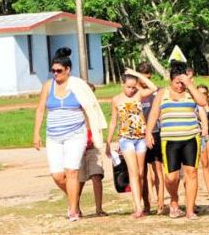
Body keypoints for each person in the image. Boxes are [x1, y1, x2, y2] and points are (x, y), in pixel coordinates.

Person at [33, 47, 105, 222]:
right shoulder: (48, 86)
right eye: (53, 71)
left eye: (59, 71)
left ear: (67, 70)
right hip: (54, 136)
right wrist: (36, 133)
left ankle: (73, 211)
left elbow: (90, 107)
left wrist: (95, 131)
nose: (55, 74)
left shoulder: (77, 85)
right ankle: (74, 200)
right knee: (57, 175)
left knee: (71, 171)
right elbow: (41, 108)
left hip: (75, 134)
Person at [145, 61, 208, 220]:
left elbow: (203, 102)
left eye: (182, 83)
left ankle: (189, 210)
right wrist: (148, 133)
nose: (180, 86)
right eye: (177, 82)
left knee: (191, 173)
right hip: (170, 140)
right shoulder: (162, 93)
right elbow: (153, 114)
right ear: (170, 80)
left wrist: (189, 84)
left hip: (190, 138)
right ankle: (174, 200)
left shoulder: (190, 92)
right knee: (171, 177)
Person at [105, 70, 158, 218]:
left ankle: (140, 202)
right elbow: (113, 122)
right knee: (133, 172)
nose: (131, 90)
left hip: (140, 138)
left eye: (134, 87)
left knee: (141, 174)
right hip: (126, 139)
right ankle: (138, 207)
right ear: (122, 84)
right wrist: (108, 141)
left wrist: (137, 74)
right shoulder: (116, 100)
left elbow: (153, 88)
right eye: (128, 87)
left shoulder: (139, 95)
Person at [138, 61, 165, 214]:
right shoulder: (135, 93)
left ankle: (161, 203)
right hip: (139, 135)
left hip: (155, 133)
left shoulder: (156, 92)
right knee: (142, 172)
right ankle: (147, 205)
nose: (144, 81)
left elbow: (153, 87)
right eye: (142, 78)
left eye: (146, 78)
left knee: (157, 169)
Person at [77, 82, 107, 218]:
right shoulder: (75, 109)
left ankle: (99, 208)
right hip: (79, 146)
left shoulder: (94, 109)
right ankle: (75, 207)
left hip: (94, 145)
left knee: (96, 175)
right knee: (79, 180)